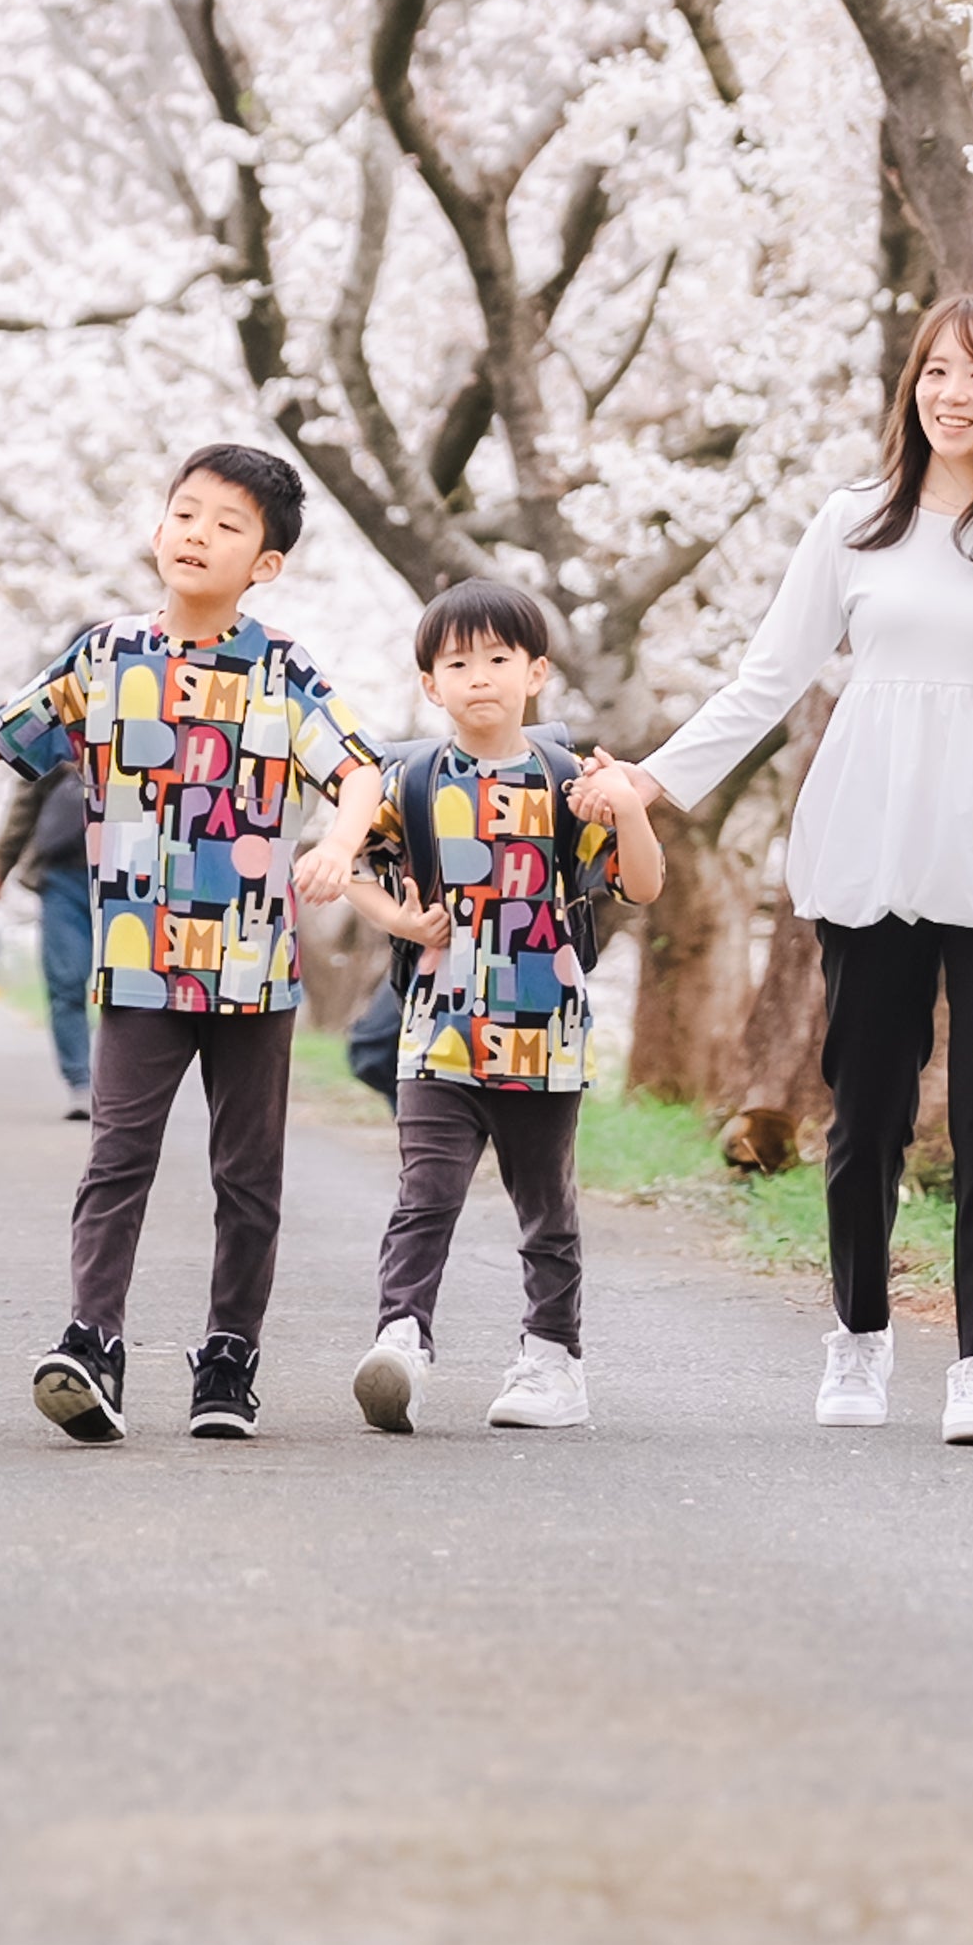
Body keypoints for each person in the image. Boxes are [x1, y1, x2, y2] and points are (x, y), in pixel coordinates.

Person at [591, 291, 973, 1448]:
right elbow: (765, 680)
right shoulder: (854, 523)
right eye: (935, 371)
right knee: (866, 1106)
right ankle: (860, 1333)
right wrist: (654, 782)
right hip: (875, 839)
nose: (951, 393)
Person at [0, 442, 383, 1443]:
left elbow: (360, 769)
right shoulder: (105, 657)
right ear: (158, 529)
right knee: (118, 1159)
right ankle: (91, 1342)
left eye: (228, 524)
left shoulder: (281, 669)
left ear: (266, 564)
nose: (198, 533)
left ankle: (230, 1356)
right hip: (141, 960)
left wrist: (338, 841)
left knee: (248, 1176)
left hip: (252, 967)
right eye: (185, 512)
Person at [341, 577, 662, 1435]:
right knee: (425, 1197)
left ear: (536, 672)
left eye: (497, 658)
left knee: (545, 1210)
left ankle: (553, 1360)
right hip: (437, 1031)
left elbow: (642, 881)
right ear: (429, 684)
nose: (478, 675)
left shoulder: (567, 781)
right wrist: (401, 916)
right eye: (457, 661)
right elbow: (353, 868)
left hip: (543, 1033)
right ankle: (401, 1340)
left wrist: (628, 806)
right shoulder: (408, 778)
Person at [0, 752, 95, 1116]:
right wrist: (0, 866)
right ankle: (82, 1081)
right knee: (66, 981)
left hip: (134, 875)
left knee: (130, 991)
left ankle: (117, 1086)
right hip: (63, 876)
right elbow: (26, 799)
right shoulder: (60, 714)